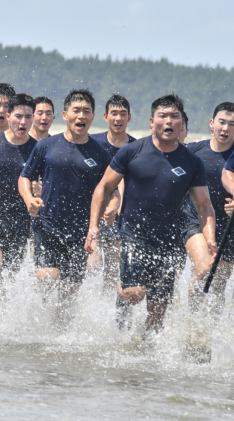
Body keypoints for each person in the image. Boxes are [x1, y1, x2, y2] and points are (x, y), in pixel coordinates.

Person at [85, 94, 215, 335]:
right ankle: (122, 295)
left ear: (182, 123)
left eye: (174, 116)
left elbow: (204, 205)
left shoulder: (192, 161)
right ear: (151, 121)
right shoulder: (132, 151)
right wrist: (93, 226)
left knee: (157, 313)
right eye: (163, 116)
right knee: (135, 293)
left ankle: (143, 357)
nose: (169, 121)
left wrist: (210, 238)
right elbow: (103, 187)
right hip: (134, 235)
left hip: (168, 241)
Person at [19, 89, 112, 329]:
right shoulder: (47, 146)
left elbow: (111, 188)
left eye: (86, 111)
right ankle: (30, 312)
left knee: (70, 292)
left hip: (80, 231)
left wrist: (113, 206)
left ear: (93, 117)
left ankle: (57, 333)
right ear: (65, 114)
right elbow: (24, 177)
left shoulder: (100, 154)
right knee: (49, 277)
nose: (81, 116)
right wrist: (29, 199)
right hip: (47, 224)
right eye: (76, 110)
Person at [0, 94, 37, 284]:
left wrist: (38, 191)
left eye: (28, 117)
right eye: (19, 116)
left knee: (10, 278)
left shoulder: (38, 149)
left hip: (20, 220)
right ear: (9, 116)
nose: (23, 122)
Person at [184, 102, 234, 314]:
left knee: (218, 285)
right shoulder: (192, 152)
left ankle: (207, 333)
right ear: (212, 124)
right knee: (204, 268)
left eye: (232, 125)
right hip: (196, 220)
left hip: (228, 228)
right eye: (221, 122)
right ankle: (190, 321)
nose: (225, 128)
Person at [88, 95, 136, 293]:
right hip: (94, 210)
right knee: (93, 264)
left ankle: (106, 306)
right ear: (105, 116)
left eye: (122, 114)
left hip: (122, 215)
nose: (118, 118)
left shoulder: (136, 147)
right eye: (114, 114)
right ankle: (85, 303)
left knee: (112, 269)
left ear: (129, 117)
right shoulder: (93, 143)